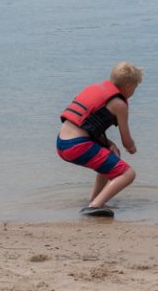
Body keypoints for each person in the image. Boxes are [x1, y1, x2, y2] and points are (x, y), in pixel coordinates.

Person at [56, 62, 142, 217]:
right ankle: (94, 206)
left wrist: (109, 143)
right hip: (78, 146)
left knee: (112, 154)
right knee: (128, 174)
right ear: (128, 86)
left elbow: (86, 125)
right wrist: (133, 148)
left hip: (62, 143)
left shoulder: (94, 89)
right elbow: (127, 142)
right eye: (135, 88)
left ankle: (95, 198)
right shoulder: (119, 104)